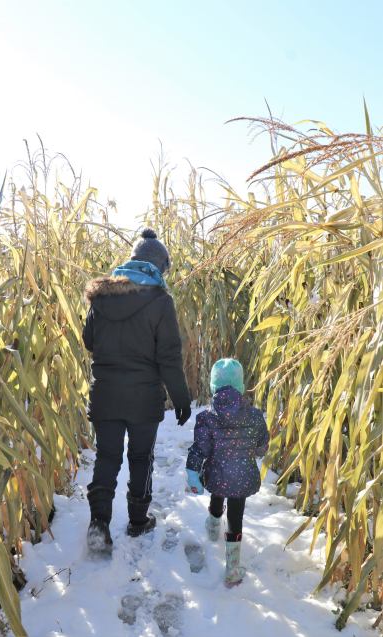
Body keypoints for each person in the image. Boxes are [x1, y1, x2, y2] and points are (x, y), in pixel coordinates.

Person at [82, 228, 191, 556]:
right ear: (157, 266)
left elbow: (89, 340)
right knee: (141, 457)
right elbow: (169, 357)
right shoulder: (160, 301)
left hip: (106, 393)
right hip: (144, 397)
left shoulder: (102, 297)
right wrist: (181, 399)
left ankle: (99, 524)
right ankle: (139, 519)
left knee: (107, 456)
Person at [185, 358, 269, 587]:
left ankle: (213, 527)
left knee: (218, 493)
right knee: (235, 515)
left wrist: (192, 471)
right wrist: (252, 449)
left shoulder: (206, 418)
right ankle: (232, 567)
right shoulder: (255, 416)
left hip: (217, 474)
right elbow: (262, 446)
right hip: (243, 476)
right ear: (240, 386)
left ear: (214, 386)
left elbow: (200, 449)